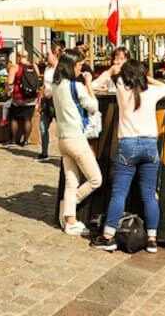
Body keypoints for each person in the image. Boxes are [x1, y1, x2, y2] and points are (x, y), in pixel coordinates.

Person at [92, 61, 165, 253]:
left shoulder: (121, 88)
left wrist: (110, 71)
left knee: (119, 193)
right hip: (150, 145)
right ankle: (152, 239)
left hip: (128, 144)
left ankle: (107, 237)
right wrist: (148, 78)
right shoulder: (152, 92)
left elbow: (94, 86)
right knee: (149, 195)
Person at [53, 48, 102, 236]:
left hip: (63, 139)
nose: (81, 69)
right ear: (72, 65)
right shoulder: (77, 86)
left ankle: (70, 220)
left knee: (71, 181)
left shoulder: (56, 86)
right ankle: (69, 207)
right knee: (95, 179)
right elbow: (93, 106)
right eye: (80, 65)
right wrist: (88, 84)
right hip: (76, 138)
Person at [7, 49, 40, 147]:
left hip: (18, 97)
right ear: (27, 56)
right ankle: (25, 141)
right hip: (31, 97)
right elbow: (37, 79)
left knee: (14, 118)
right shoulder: (34, 66)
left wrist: (7, 91)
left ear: (18, 57)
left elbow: (10, 82)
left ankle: (13, 140)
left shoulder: (15, 67)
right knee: (27, 119)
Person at [36, 45, 60, 162]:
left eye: (49, 54)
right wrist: (39, 99)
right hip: (46, 101)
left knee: (61, 128)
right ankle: (44, 152)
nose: (47, 57)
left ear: (55, 56)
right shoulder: (47, 68)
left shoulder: (60, 69)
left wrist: (53, 92)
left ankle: (64, 153)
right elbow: (44, 85)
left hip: (57, 101)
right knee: (43, 126)